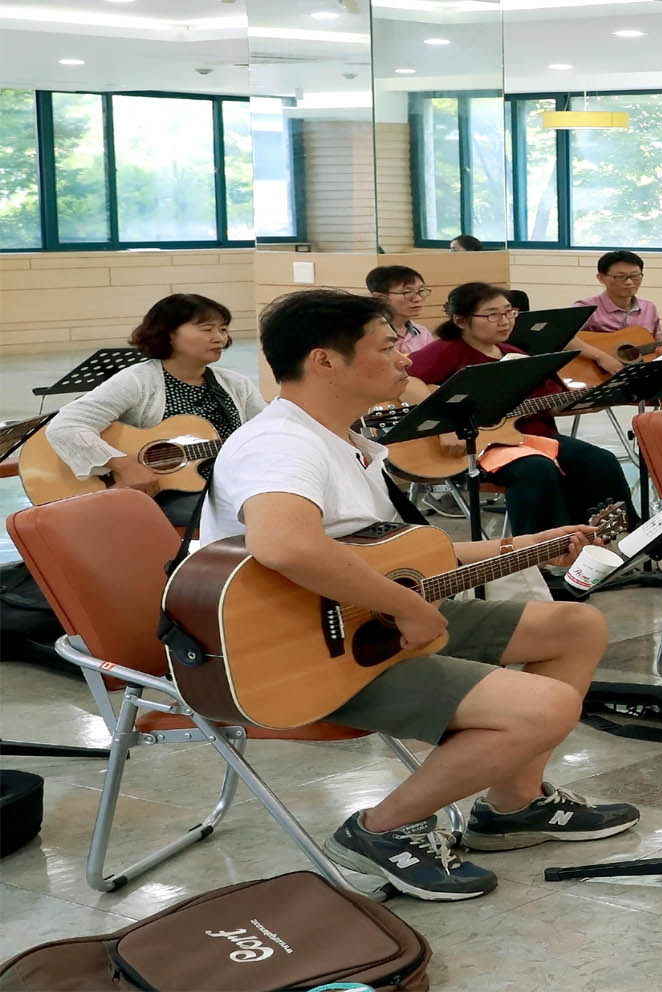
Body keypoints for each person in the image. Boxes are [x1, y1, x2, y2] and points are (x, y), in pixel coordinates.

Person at [196, 288, 636, 902]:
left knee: (575, 627)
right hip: (299, 653)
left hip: (361, 619)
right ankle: (382, 828)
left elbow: (400, 559)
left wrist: (528, 543)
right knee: (543, 707)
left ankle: (513, 805)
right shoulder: (282, 443)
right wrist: (407, 607)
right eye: (388, 345)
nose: (407, 356)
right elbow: (285, 546)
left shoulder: (346, 440)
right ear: (325, 361)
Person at [407, 283, 637, 564]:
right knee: (535, 470)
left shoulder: (514, 353)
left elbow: (550, 402)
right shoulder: (447, 350)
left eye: (509, 312)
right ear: (461, 320)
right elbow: (405, 379)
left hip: (533, 439)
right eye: (492, 315)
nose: (504, 321)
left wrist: (589, 400)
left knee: (598, 459)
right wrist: (444, 425)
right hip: (482, 446)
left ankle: (601, 539)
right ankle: (541, 558)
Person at [45, 293, 266, 530]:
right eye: (207, 329)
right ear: (169, 333)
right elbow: (65, 426)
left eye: (223, 329)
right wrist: (125, 465)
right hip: (164, 494)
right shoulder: (137, 381)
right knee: (259, 515)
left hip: (232, 485)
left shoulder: (236, 384)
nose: (219, 338)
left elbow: (267, 431)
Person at [571, 250, 661, 337]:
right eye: (620, 276)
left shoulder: (649, 308)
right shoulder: (584, 308)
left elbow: (658, 344)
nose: (629, 282)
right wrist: (601, 353)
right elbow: (564, 338)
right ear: (601, 278)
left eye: (635, 276)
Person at [367, 264, 437, 359]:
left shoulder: (423, 333)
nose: (417, 299)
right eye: (407, 292)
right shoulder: (368, 333)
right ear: (380, 298)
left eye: (421, 291)